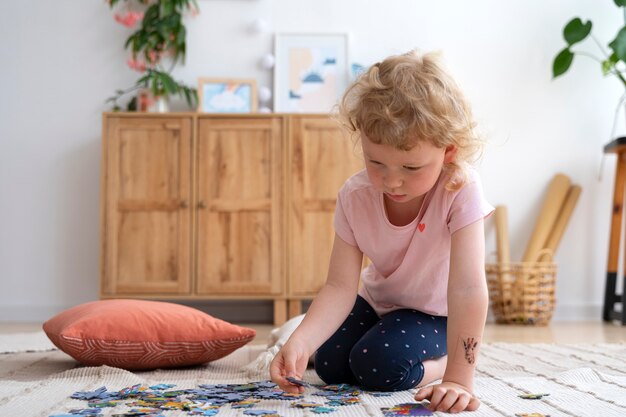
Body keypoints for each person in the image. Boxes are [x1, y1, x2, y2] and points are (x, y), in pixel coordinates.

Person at [269, 50, 493, 414]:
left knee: (378, 366)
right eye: (376, 162)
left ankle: (443, 358)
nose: (392, 181)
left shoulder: (461, 188)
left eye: (410, 166)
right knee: (329, 364)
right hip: (377, 302)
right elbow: (340, 287)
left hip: (436, 314)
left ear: (448, 151)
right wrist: (299, 343)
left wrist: (457, 377)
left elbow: (468, 288)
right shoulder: (354, 196)